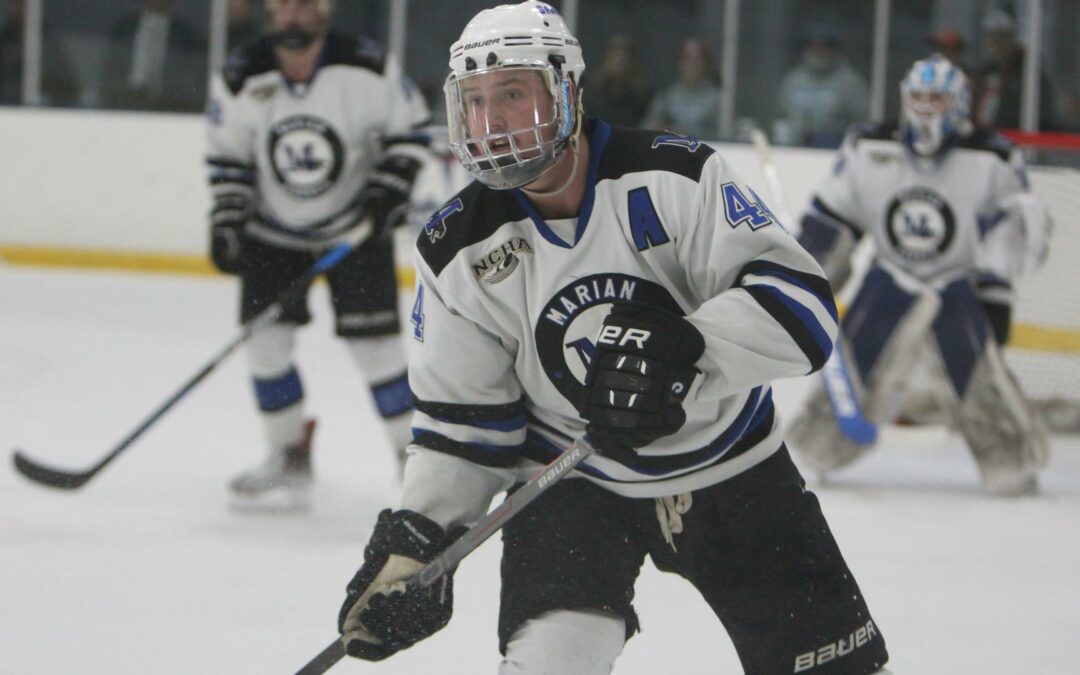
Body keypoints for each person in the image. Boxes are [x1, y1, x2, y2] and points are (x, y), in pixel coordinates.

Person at [334, 3, 890, 673]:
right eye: (475, 101)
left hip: (732, 469)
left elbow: (803, 309)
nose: (491, 121)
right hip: (570, 485)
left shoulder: (676, 176)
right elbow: (464, 426)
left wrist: (686, 352)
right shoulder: (456, 248)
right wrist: (414, 539)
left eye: (512, 93)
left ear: (567, 90)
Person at [788, 55, 1052, 495]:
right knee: (854, 369)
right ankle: (818, 451)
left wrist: (996, 298)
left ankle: (1010, 460)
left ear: (961, 103)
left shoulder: (994, 156)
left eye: (937, 98)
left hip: (956, 285)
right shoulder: (869, 146)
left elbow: (1004, 238)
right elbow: (833, 218)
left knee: (979, 380)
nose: (926, 108)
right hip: (890, 277)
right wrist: (809, 274)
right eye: (918, 97)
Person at [205, 0, 431, 509]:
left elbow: (411, 130)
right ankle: (287, 454)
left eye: (304, 4)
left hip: (353, 231)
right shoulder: (242, 74)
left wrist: (385, 193)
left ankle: (417, 464)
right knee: (265, 345)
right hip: (272, 234)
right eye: (283, 4)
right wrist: (228, 220)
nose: (292, 14)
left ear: (324, 10)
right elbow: (228, 157)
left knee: (378, 353)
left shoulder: (366, 64)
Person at [774, 24, 868, 148]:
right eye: (814, 47)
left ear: (834, 51)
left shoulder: (849, 82)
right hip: (794, 148)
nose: (818, 52)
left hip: (834, 148)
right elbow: (781, 115)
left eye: (824, 47)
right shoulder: (793, 81)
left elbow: (862, 121)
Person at [102, 0, 207, 112]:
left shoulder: (186, 38)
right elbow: (109, 74)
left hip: (169, 109)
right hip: (123, 107)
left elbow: (192, 83)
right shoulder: (124, 30)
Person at [973, 8, 1057, 131]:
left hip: (1016, 141)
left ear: (1013, 38)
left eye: (1002, 37)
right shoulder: (985, 71)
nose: (996, 43)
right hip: (984, 141)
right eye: (991, 37)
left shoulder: (1030, 72)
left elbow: (1043, 117)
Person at [0, 0, 80, 106]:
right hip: (8, 106)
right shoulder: (6, 39)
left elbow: (68, 87)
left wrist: (43, 85)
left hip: (43, 109)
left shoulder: (45, 41)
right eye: (15, 3)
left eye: (21, 3)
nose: (17, 7)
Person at [641, 38, 720, 140]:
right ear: (679, 63)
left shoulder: (717, 99)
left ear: (706, 64)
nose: (692, 65)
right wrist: (662, 128)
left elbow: (724, 133)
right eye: (687, 59)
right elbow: (646, 126)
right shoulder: (668, 96)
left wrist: (687, 132)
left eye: (697, 60)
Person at [588, 34, 652, 128]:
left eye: (623, 58)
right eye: (615, 57)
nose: (619, 63)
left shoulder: (642, 96)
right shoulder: (591, 93)